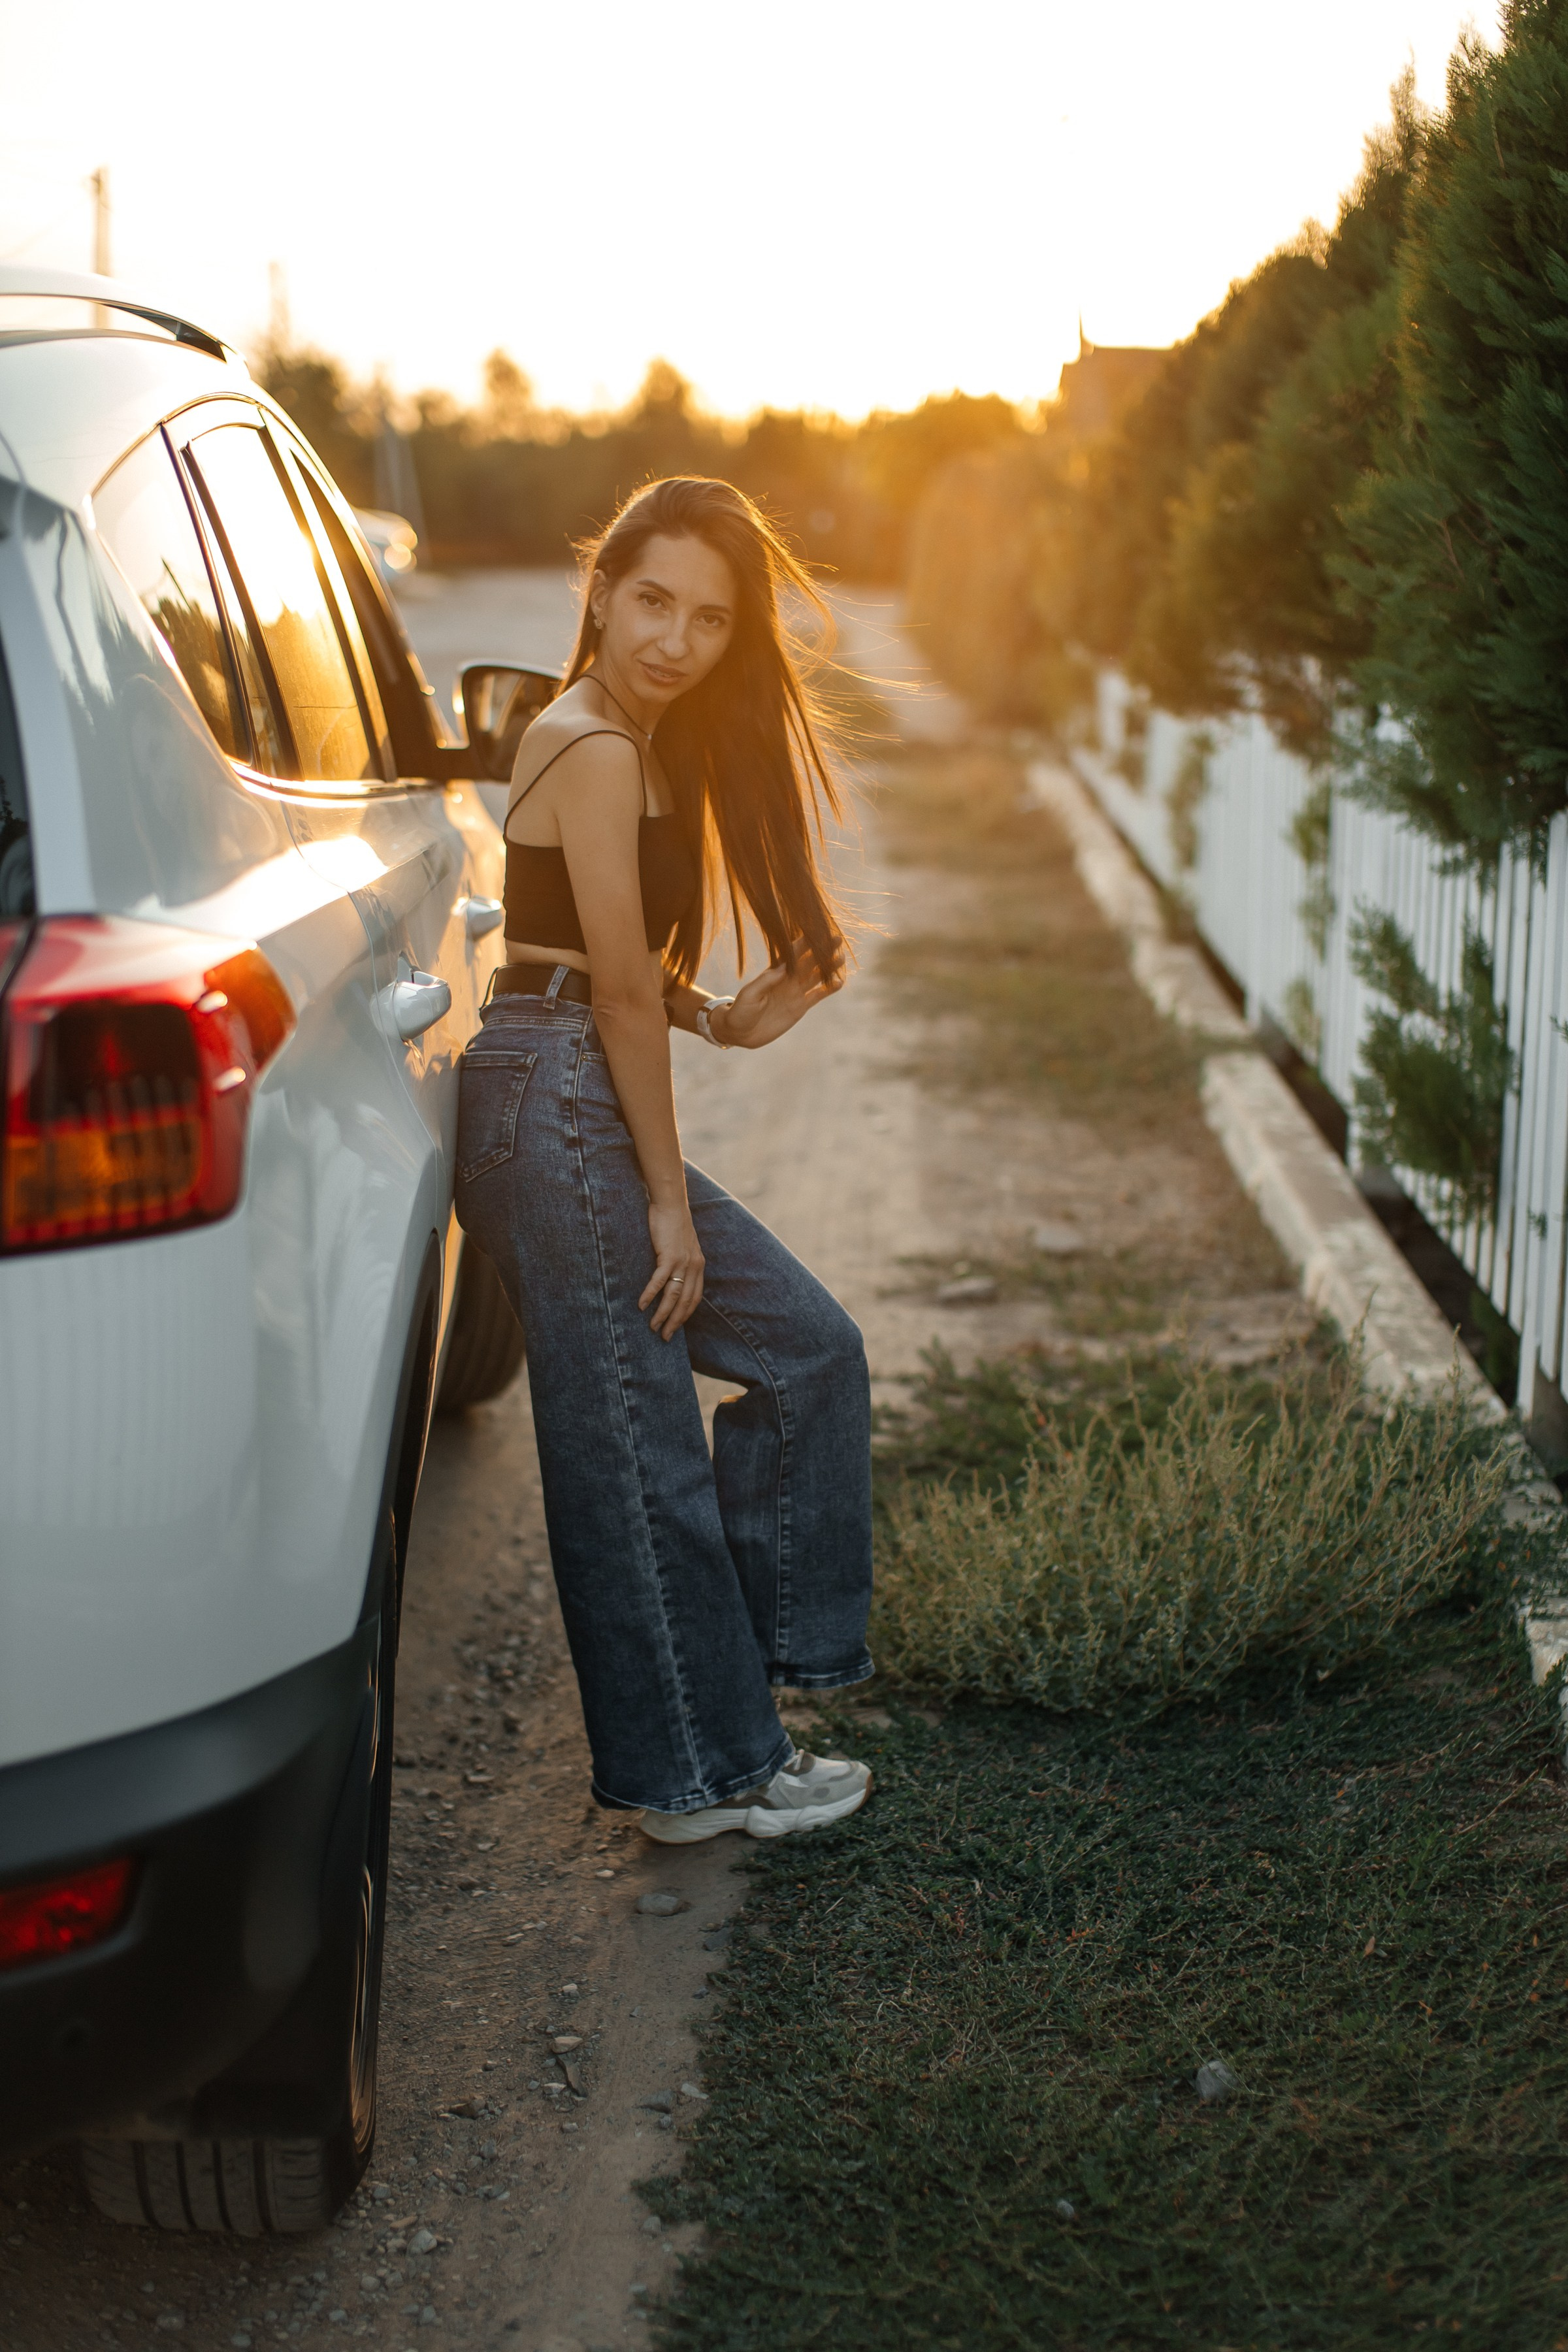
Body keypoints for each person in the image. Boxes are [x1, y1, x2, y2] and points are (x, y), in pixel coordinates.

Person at [454, 476, 874, 1844]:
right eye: (650, 601)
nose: (672, 640)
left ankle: (739, 1707)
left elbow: (608, 963)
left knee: (807, 1349)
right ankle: (706, 1772)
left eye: (706, 619)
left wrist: (722, 1013)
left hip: (557, 1071)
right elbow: (604, 1000)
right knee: (636, 1446)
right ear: (602, 587)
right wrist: (662, 1205)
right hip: (558, 1094)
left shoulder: (622, 739)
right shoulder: (592, 742)